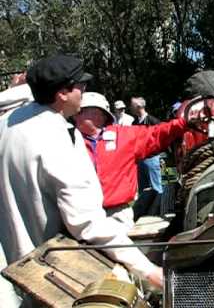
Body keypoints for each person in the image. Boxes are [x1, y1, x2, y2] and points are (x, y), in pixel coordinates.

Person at [0, 55, 164, 305]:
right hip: (55, 275)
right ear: (63, 93)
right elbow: (86, 222)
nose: (84, 91)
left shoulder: (7, 125)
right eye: (80, 86)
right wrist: (146, 269)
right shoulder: (58, 137)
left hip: (14, 271)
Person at [73, 92, 186, 228]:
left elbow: (157, 133)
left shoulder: (124, 136)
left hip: (117, 215)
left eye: (82, 111)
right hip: (79, 216)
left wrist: (185, 122)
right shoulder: (67, 140)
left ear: (100, 114)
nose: (75, 114)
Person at [130, 96, 165, 217]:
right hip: (140, 160)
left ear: (139, 106)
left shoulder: (153, 121)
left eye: (132, 105)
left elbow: (162, 136)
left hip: (151, 158)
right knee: (143, 189)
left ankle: (159, 211)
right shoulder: (134, 123)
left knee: (156, 187)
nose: (130, 107)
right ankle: (144, 213)